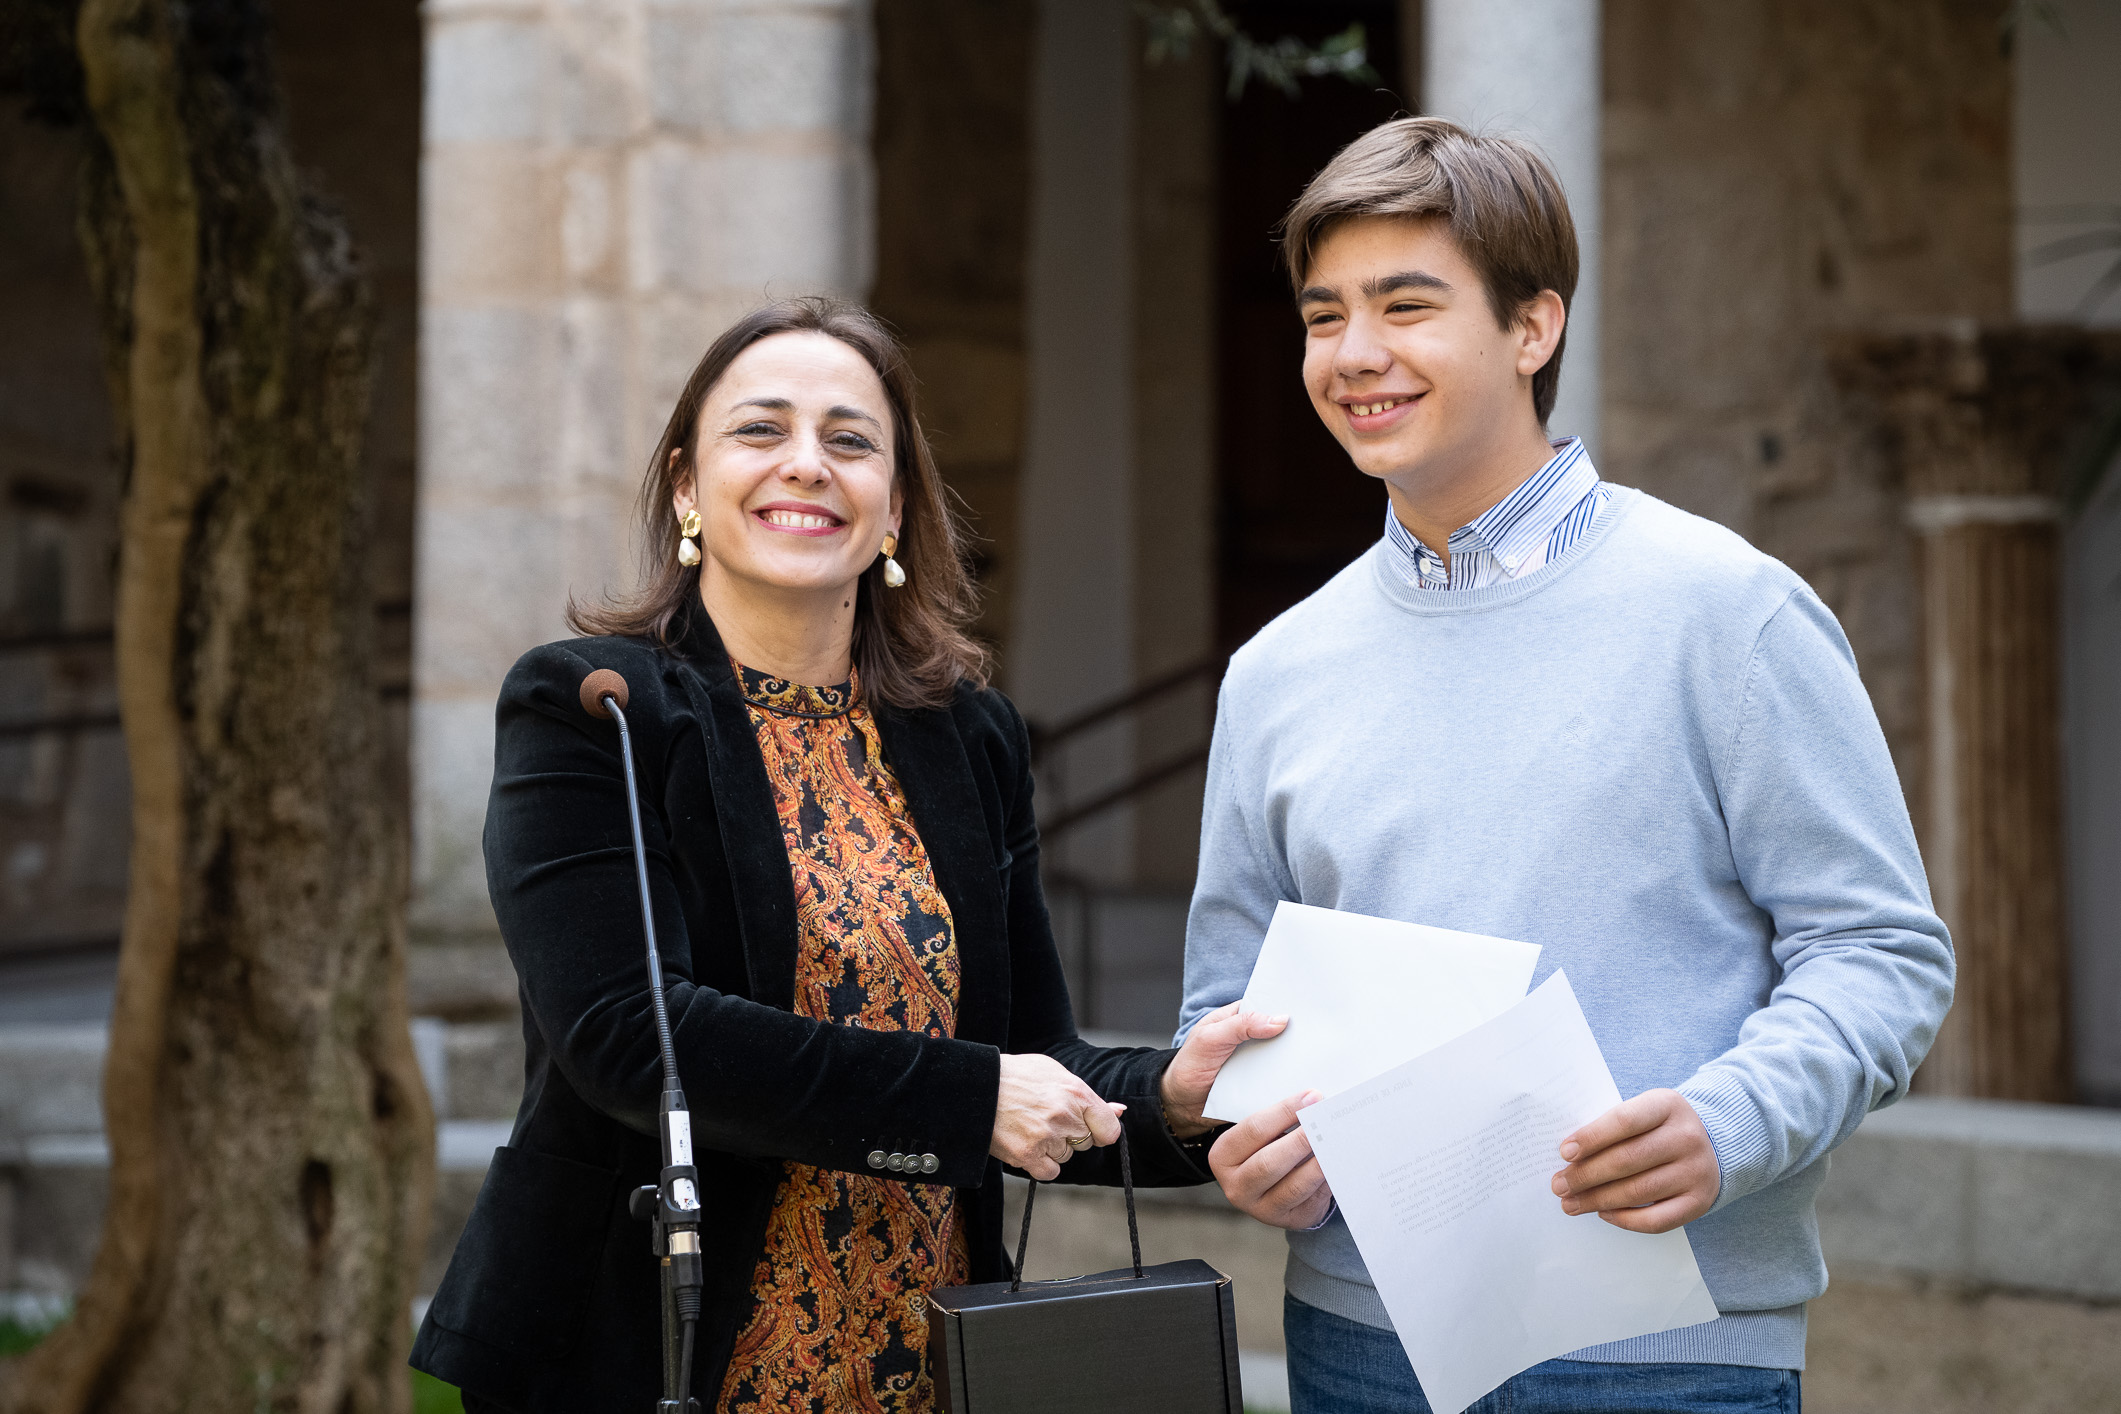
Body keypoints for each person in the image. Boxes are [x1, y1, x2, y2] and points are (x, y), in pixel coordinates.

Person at [1177, 117, 1954, 1414]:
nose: (1355, 353)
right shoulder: (1276, 670)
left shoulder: (1729, 612)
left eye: (1405, 304)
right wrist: (1241, 1139)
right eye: (1324, 316)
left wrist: (1730, 1120)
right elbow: (1231, 1001)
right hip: (1362, 1341)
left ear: (1532, 328)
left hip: (1678, 1348)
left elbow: (1882, 954)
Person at [411, 296, 1275, 1413]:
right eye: (760, 431)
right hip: (650, 1352)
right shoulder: (595, 707)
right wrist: (972, 1103)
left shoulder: (970, 736)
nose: (806, 465)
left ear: (896, 505)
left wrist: (1174, 1098)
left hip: (917, 1359)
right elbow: (630, 1033)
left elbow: (1031, 1055)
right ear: (686, 483)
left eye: (851, 440)